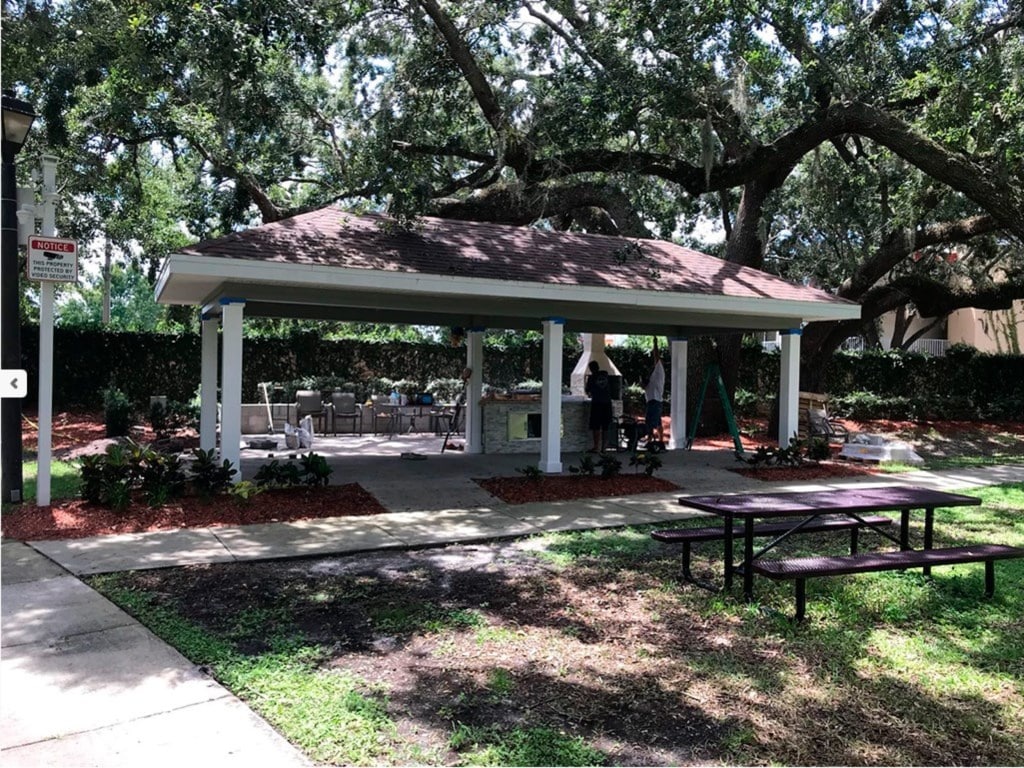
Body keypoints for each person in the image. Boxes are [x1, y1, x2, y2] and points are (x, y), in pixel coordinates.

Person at [584, 359, 613, 452]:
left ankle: (596, 447)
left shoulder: (592, 378)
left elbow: (587, 390)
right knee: (605, 426)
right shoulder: (606, 375)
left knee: (596, 425)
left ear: (591, 369)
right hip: (607, 403)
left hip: (597, 403)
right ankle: (604, 448)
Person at [644, 337, 665, 445]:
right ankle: (660, 440)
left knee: (651, 422)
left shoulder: (659, 371)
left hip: (654, 401)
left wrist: (655, 344)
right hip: (653, 401)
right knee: (657, 421)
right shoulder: (653, 377)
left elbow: (656, 357)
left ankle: (651, 440)